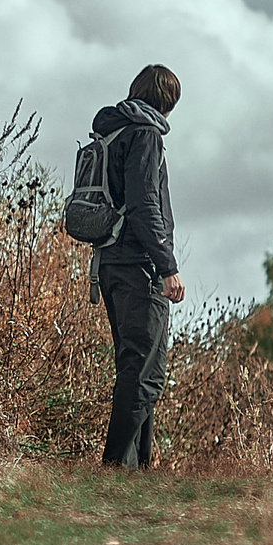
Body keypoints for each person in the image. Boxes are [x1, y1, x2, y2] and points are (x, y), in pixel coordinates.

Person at [90, 64, 184, 469]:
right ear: (166, 101)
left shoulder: (113, 129)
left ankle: (137, 470)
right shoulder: (145, 134)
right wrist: (167, 266)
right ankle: (114, 467)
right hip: (137, 268)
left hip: (110, 263)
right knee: (146, 372)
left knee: (135, 367)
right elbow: (146, 206)